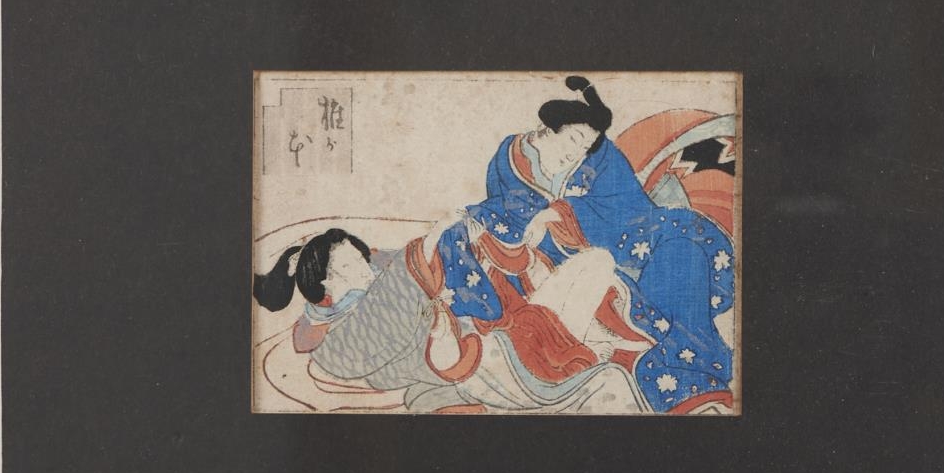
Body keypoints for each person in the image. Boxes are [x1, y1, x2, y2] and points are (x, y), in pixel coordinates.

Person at [432, 76, 736, 414]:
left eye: (584, 147)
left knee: (682, 248)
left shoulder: (599, 155)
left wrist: (559, 213)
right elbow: (503, 209)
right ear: (546, 128)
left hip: (622, 238)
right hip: (544, 257)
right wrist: (525, 227)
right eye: (574, 139)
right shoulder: (509, 158)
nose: (576, 152)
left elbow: (626, 208)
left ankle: (687, 364)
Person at [253, 217, 646, 415]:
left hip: (505, 327)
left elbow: (409, 270)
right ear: (325, 281)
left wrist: (466, 243)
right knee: (566, 351)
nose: (363, 268)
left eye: (360, 257)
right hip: (485, 358)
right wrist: (427, 252)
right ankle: (584, 352)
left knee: (596, 261)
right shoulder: (337, 341)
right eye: (348, 265)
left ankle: (584, 347)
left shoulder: (379, 280)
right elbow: (391, 310)